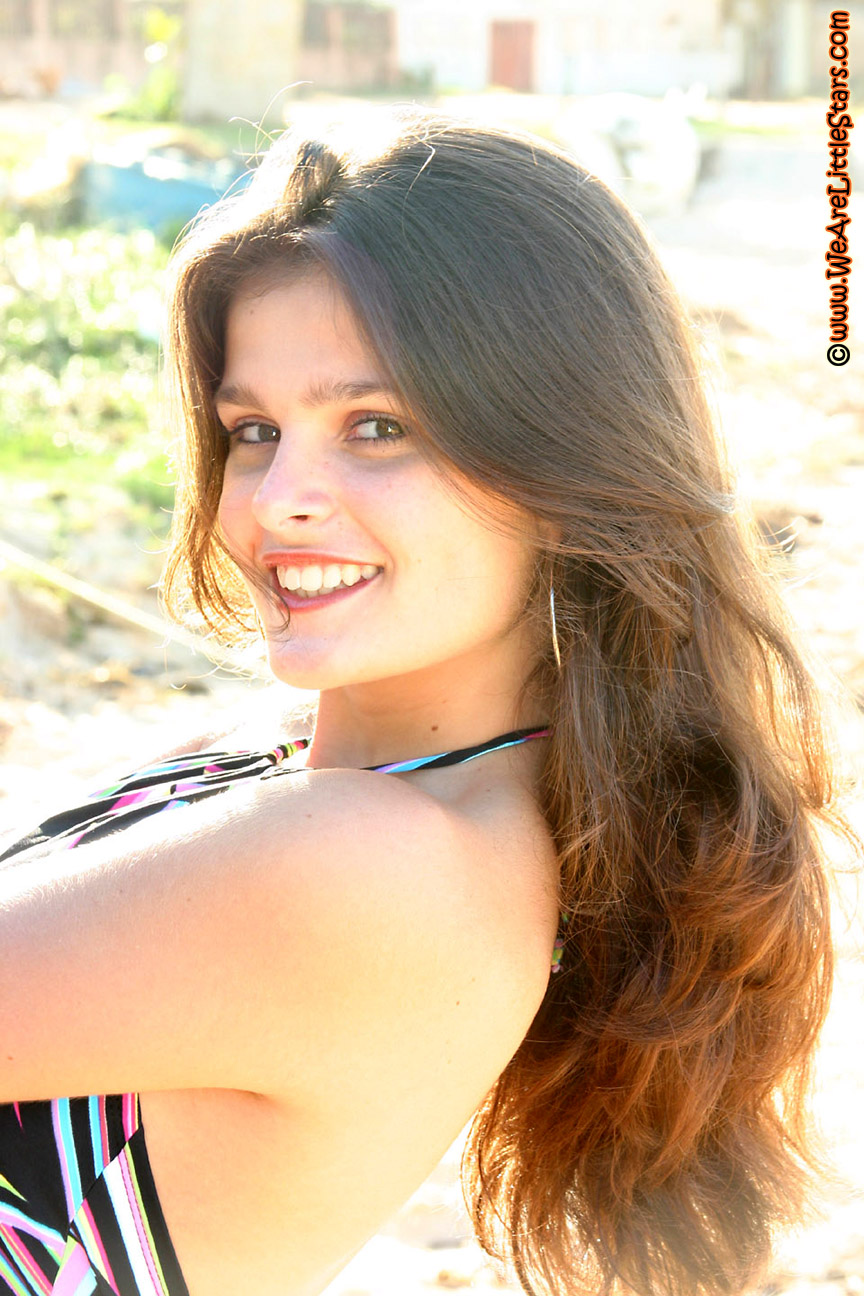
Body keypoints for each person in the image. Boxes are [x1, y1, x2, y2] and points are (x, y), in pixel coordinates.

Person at [0, 111, 853, 1296]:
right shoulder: (307, 772)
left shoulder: (381, 868)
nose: (278, 498)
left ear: (560, 468)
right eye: (254, 430)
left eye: (378, 427)